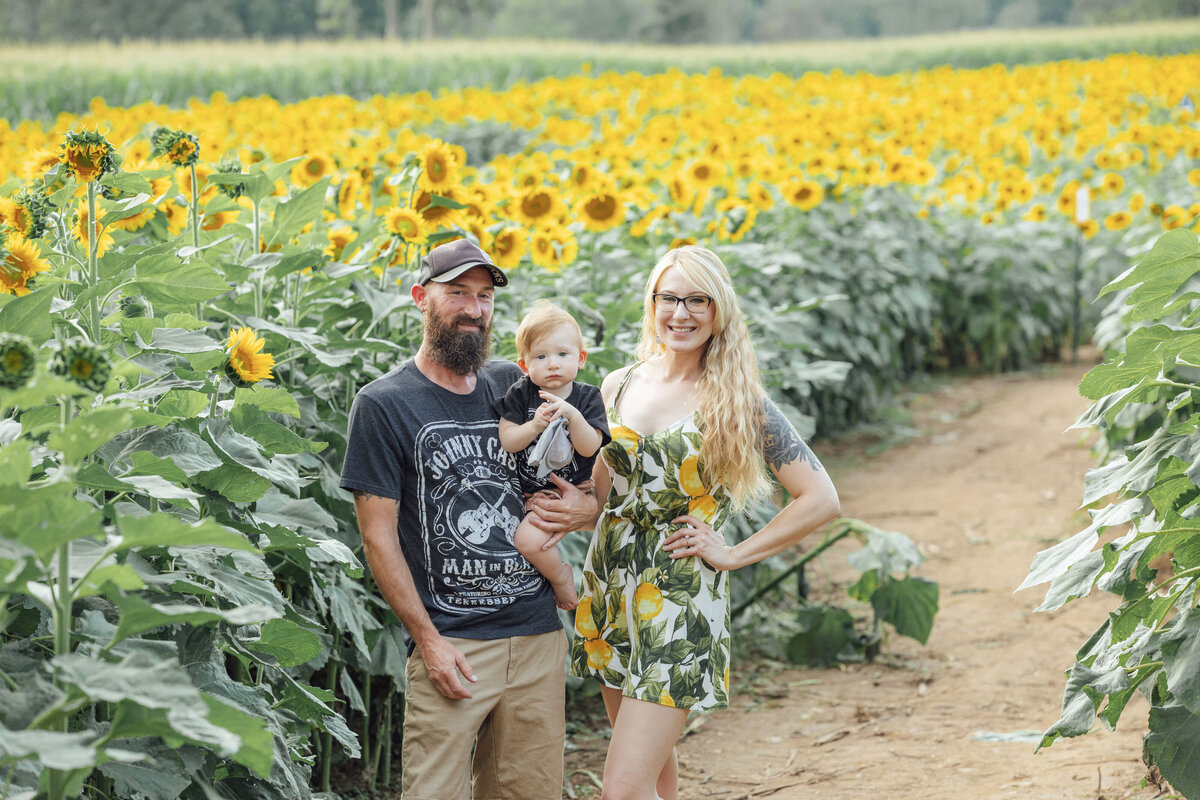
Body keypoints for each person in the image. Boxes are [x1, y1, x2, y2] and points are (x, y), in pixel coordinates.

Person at [568, 245, 841, 800]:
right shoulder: (618, 384)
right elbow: (602, 495)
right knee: (655, 781)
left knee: (620, 789)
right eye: (669, 297)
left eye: (698, 300)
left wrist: (734, 554)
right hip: (610, 586)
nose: (681, 313)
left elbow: (820, 498)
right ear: (652, 303)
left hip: (678, 594)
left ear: (719, 311)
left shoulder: (739, 400)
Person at [340, 237, 597, 800]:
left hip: (535, 635)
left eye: (484, 296)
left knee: (528, 791)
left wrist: (586, 508)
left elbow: (582, 458)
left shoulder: (515, 384)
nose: (474, 309)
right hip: (453, 645)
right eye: (457, 292)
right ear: (419, 298)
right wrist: (428, 642)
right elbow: (377, 538)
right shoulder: (383, 404)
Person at [496, 301, 611, 611]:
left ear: (581, 358)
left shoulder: (588, 397)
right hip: (532, 492)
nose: (553, 364)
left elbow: (589, 448)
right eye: (541, 356)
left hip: (569, 491)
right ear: (524, 365)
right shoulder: (520, 394)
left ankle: (561, 578)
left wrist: (572, 415)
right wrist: (534, 425)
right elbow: (508, 441)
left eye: (563, 354)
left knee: (527, 542)